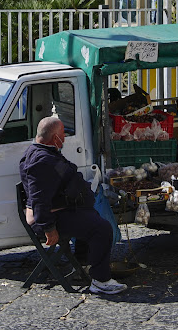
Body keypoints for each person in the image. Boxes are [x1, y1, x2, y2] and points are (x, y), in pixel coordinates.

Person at [19, 117, 127, 295]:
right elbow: (39, 199)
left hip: (62, 208)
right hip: (50, 217)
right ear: (55, 139)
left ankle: (83, 264)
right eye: (62, 135)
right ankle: (101, 280)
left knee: (92, 217)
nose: (64, 138)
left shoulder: (43, 151)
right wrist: (49, 227)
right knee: (102, 228)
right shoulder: (41, 161)